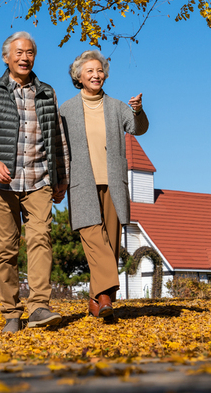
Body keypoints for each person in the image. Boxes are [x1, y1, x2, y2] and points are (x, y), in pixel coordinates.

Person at [0, 31, 70, 334]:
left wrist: (62, 176)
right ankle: (11, 312)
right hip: (3, 182)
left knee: (41, 238)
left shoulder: (47, 93)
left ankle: (39, 306)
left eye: (29, 52)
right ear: (6, 57)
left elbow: (58, 139)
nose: (24, 57)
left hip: (39, 178)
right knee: (6, 248)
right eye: (18, 53)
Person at [60, 50, 148, 320]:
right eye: (89, 71)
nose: (96, 75)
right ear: (78, 76)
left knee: (109, 243)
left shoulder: (116, 106)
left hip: (113, 183)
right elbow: (58, 148)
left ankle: (95, 299)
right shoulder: (65, 110)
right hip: (80, 183)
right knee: (93, 239)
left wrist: (139, 111)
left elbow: (138, 128)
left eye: (99, 71)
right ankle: (107, 297)